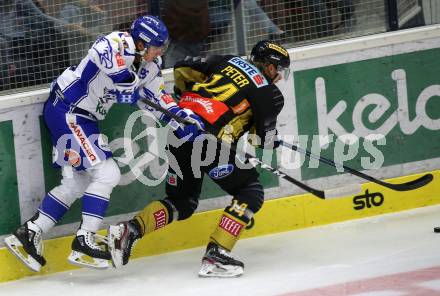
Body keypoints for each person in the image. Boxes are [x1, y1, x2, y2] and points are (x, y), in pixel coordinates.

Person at [4, 14, 203, 272]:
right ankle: (84, 239)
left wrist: (182, 120)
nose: (159, 52)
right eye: (155, 46)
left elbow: (158, 99)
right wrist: (126, 81)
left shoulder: (150, 67)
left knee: (78, 181)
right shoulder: (118, 42)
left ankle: (30, 233)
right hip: (68, 109)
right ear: (141, 44)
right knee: (107, 172)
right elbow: (102, 52)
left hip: (84, 118)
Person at [107, 40, 291, 277]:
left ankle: (129, 230)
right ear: (271, 68)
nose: (279, 78)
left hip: (180, 130)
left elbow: (182, 68)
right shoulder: (269, 93)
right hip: (209, 142)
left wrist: (188, 99)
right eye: (280, 71)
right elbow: (261, 141)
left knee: (182, 202)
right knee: (250, 191)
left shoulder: (228, 60)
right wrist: (272, 138)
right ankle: (217, 254)